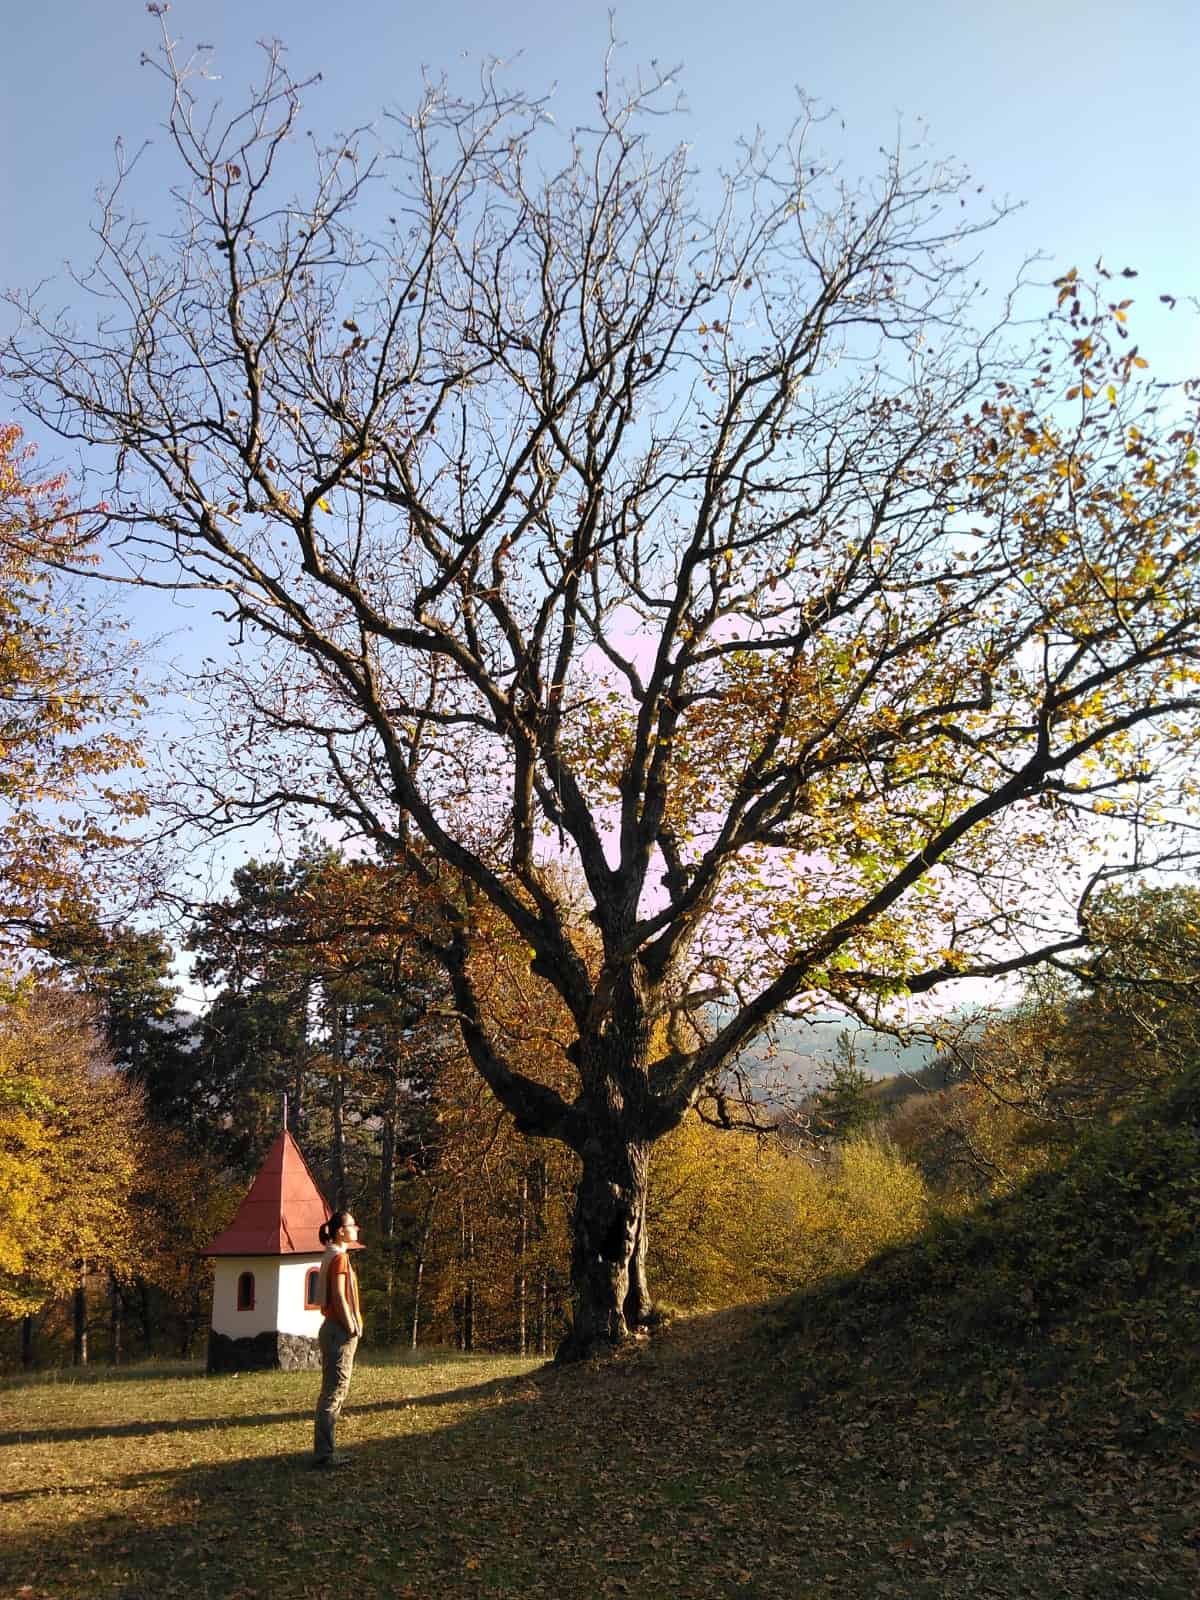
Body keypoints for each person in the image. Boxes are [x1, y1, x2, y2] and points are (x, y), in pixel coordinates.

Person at [312, 1209, 362, 1469]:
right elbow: (340, 1296)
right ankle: (325, 1454)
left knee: (330, 1391)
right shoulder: (340, 1258)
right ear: (341, 1231)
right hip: (338, 1330)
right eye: (352, 1225)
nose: (356, 1228)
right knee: (334, 1392)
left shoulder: (331, 1253)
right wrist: (351, 1325)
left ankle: (324, 1451)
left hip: (331, 1329)